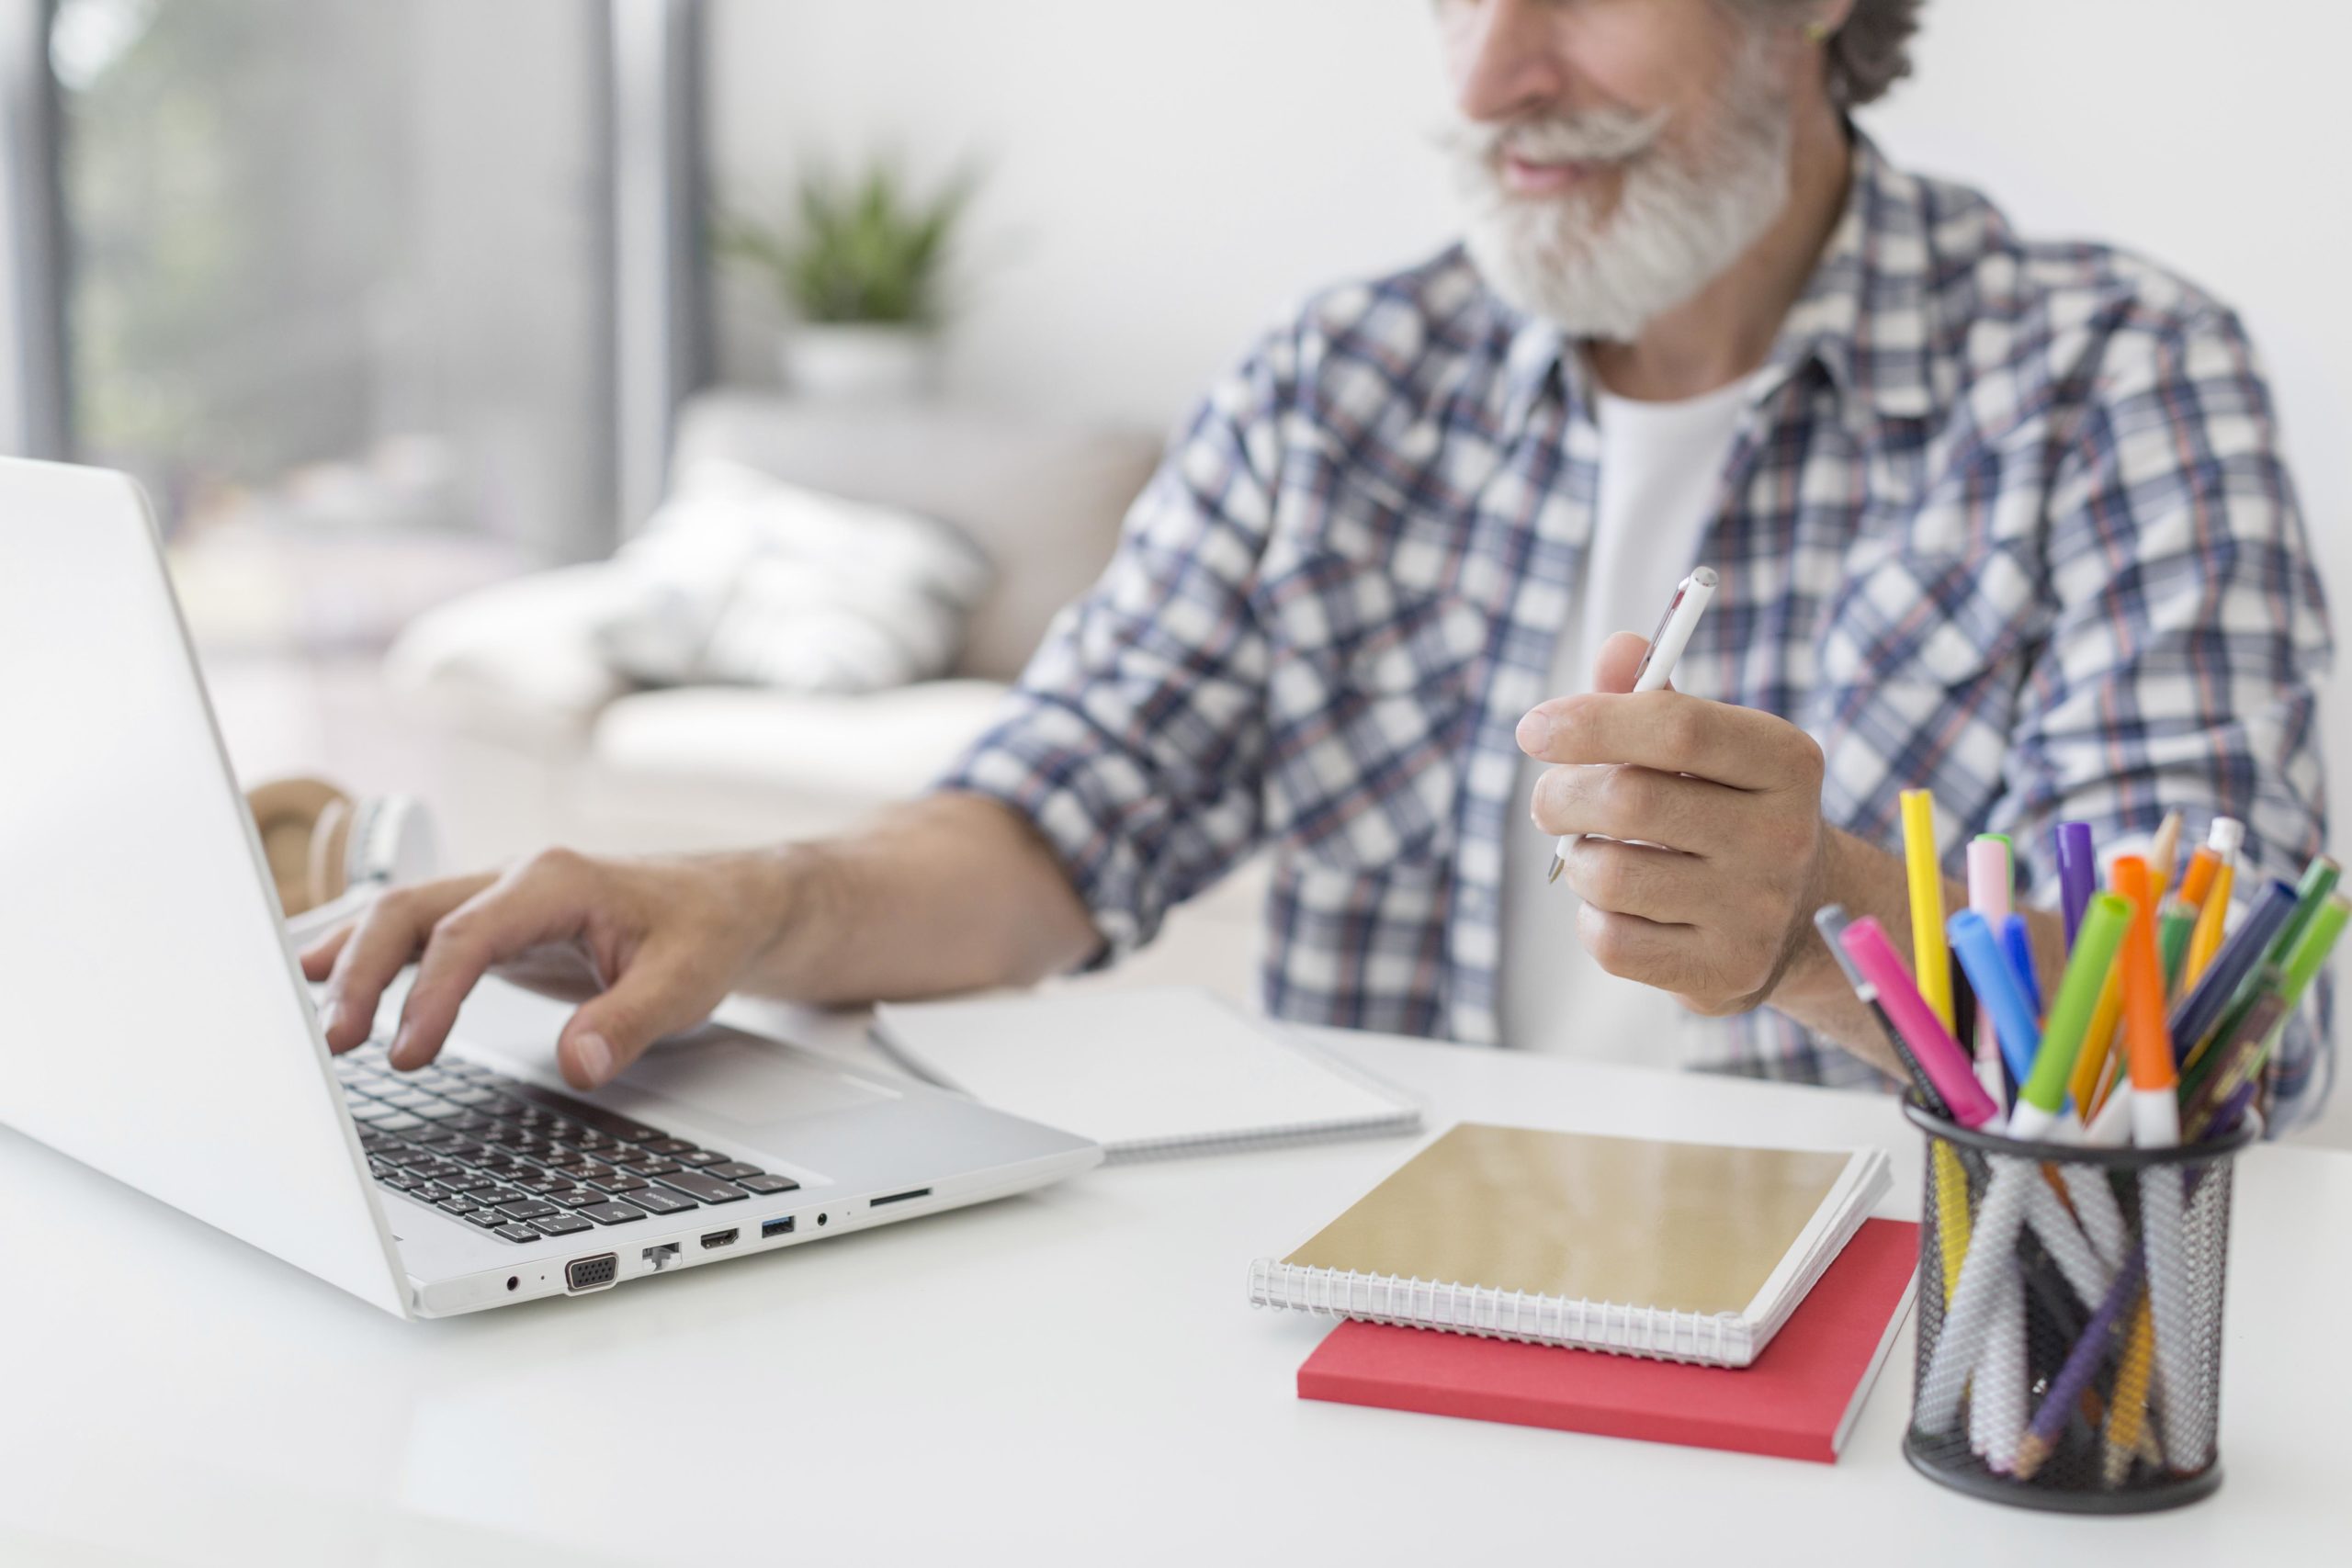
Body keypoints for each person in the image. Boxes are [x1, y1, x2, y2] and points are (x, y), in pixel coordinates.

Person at [311, 0, 2331, 1111]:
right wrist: (745, 897)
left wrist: (1824, 921)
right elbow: (1053, 827)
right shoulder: (1340, 377)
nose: (1485, 75)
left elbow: (2238, 1013)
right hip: (1390, 1305)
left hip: (1912, 1354)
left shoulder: (2111, 378)